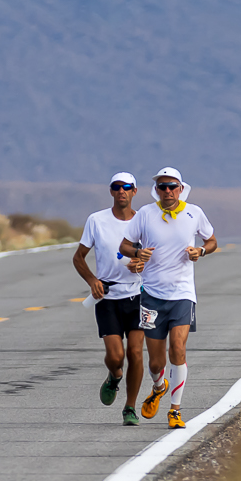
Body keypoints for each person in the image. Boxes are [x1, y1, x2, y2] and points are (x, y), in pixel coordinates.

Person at [118, 167, 218, 430]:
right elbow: (124, 246)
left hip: (183, 294)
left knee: (178, 349)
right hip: (152, 296)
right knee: (155, 362)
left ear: (181, 188)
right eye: (163, 187)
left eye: (172, 186)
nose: (168, 191)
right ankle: (158, 386)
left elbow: (212, 240)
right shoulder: (145, 215)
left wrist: (201, 251)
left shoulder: (194, 212)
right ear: (157, 190)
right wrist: (139, 252)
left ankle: (175, 410)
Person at [72, 172, 149, 424]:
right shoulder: (97, 220)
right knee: (116, 357)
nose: (121, 192)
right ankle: (114, 376)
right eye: (117, 187)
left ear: (135, 192)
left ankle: (130, 407)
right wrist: (93, 281)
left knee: (135, 353)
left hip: (138, 295)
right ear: (111, 191)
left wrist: (141, 264)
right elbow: (78, 257)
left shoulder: (144, 222)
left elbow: (157, 257)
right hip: (107, 297)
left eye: (127, 187)